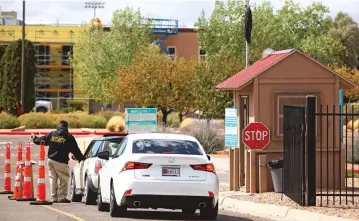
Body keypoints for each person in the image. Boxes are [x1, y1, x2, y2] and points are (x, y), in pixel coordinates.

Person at [31, 120, 85, 203]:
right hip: (61, 161)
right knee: (64, 179)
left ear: (59, 126)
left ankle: (54, 197)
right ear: (66, 127)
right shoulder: (69, 137)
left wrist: (34, 138)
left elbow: (42, 140)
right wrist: (82, 158)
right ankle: (62, 197)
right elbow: (76, 150)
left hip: (50, 160)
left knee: (53, 178)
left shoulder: (52, 134)